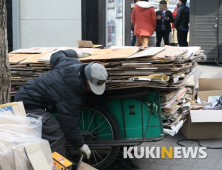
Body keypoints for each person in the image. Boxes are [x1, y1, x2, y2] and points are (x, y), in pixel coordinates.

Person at [14, 49, 108, 159]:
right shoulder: (71, 95)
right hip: (29, 105)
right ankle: (57, 166)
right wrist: (81, 145)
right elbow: (69, 125)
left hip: (29, 94)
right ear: (86, 78)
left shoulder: (73, 63)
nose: (92, 90)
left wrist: (75, 53)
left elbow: (57, 55)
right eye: (92, 86)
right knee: (56, 135)